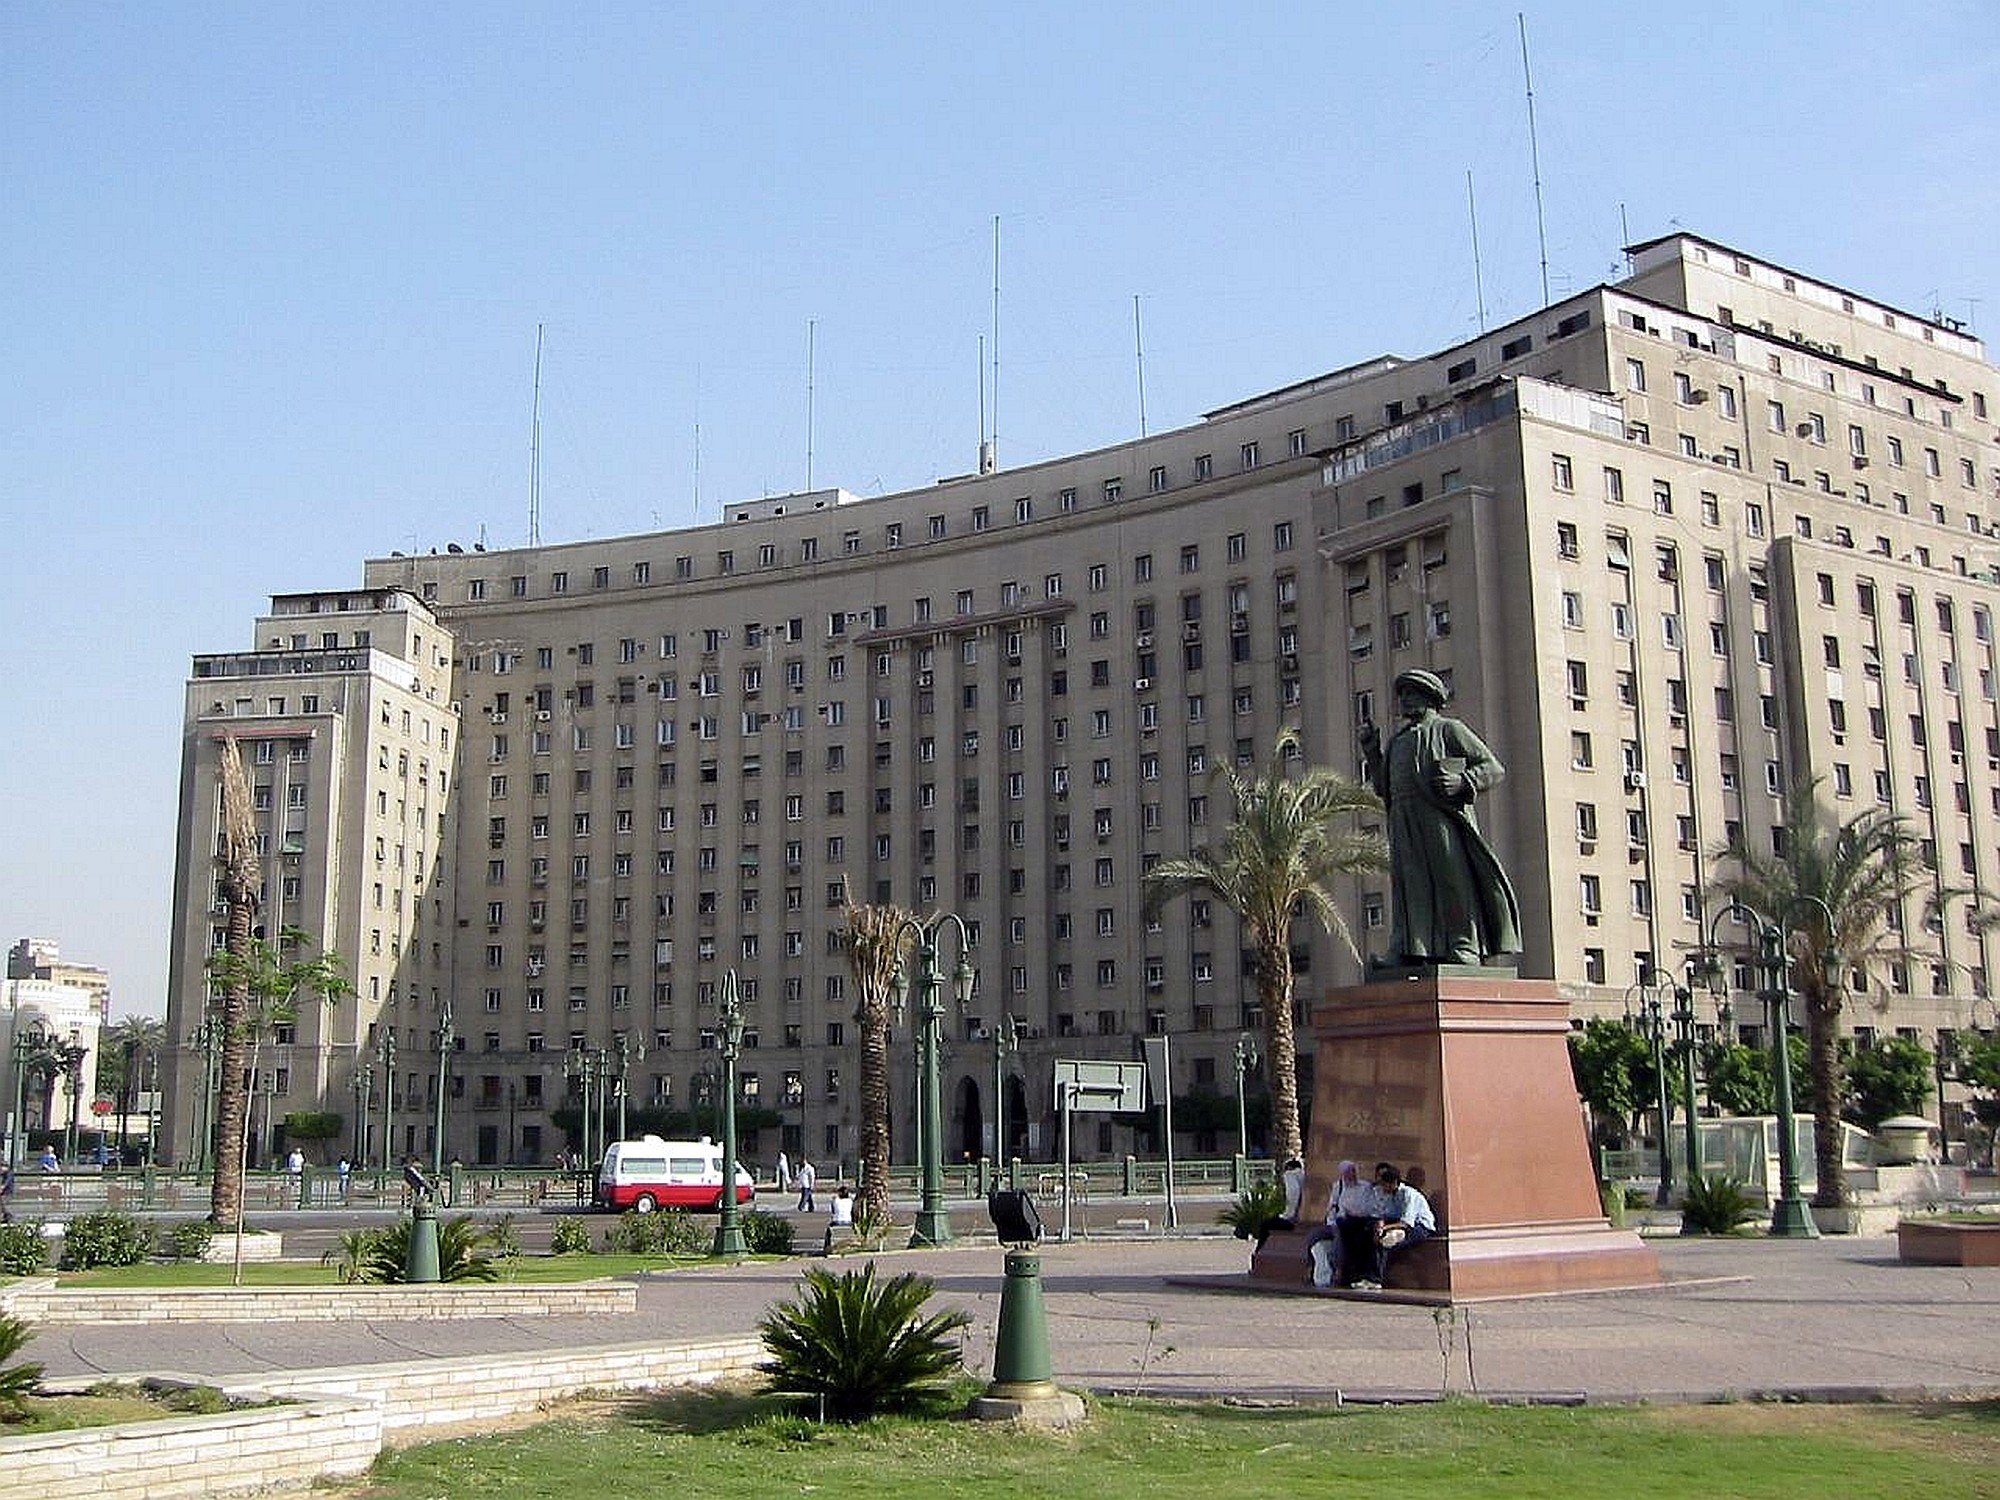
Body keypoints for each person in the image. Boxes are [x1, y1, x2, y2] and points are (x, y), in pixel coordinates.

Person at [1359, 667, 1522, 967]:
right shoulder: (1397, 741)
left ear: (1430, 697)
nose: (1405, 700)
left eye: (1412, 693)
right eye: (1403, 694)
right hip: (1403, 819)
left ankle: (1464, 944)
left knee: (1452, 880)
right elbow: (1383, 786)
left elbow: (1493, 768)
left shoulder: (1449, 729)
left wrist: (1463, 781)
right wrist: (1372, 751)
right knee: (1409, 886)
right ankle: (1407, 947)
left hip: (1439, 817)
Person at [1304, 1160, 1380, 1288]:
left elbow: (1369, 1207)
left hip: (1355, 1222)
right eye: (1349, 1172)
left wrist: (1354, 1213)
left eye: (1354, 1171)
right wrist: (1331, 1220)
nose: (1352, 1174)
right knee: (1313, 1235)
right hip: (1335, 1221)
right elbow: (1332, 1206)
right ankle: (1310, 1266)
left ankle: (1338, 1269)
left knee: (1338, 1235)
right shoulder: (1338, 1186)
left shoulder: (1365, 1187)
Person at [1361, 1162, 1436, 1290]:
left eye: (1384, 1185)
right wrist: (1380, 1224)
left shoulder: (1409, 1194)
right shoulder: (1392, 1195)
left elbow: (1406, 1222)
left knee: (1388, 1241)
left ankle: (1377, 1279)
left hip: (1420, 1227)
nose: (1383, 1188)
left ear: (1393, 1183)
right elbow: (1388, 1213)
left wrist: (1385, 1229)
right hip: (1399, 1224)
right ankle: (1370, 1277)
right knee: (1373, 1240)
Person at [822, 1183, 855, 1254]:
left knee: (828, 1231)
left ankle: (826, 1247)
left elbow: (833, 1211)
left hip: (836, 1221)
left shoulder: (835, 1201)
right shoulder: (850, 1201)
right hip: (848, 1221)